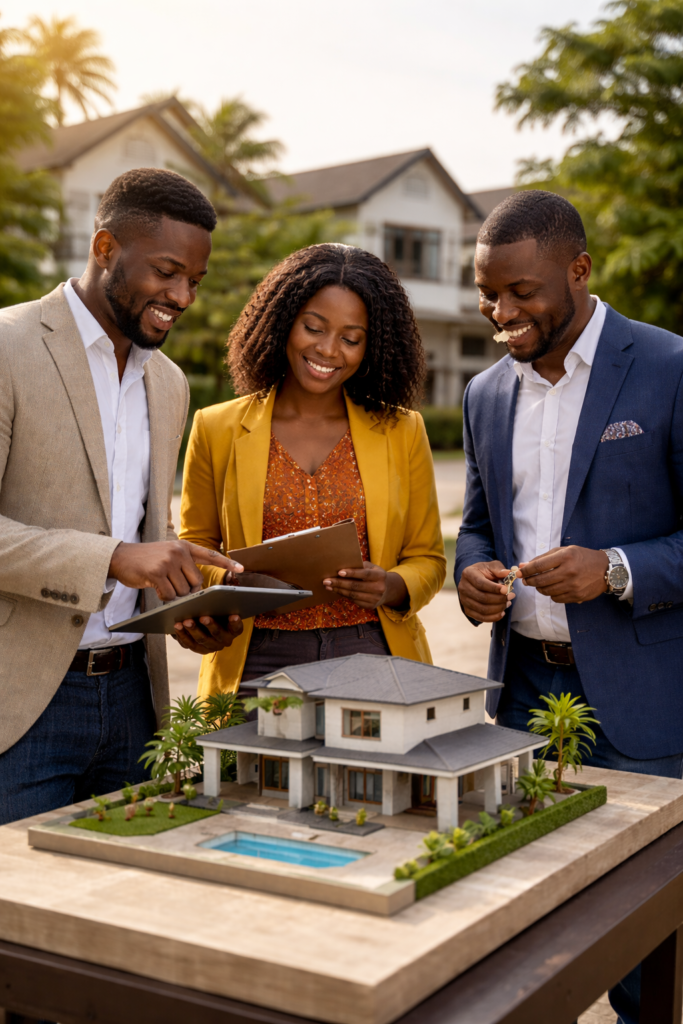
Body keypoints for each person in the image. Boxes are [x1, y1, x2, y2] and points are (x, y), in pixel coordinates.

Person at [455, 189, 683, 1024]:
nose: (500, 311)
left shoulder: (667, 366)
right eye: (488, 293)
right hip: (519, 697)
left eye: (521, 292)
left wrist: (615, 568)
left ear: (578, 271)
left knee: (641, 943)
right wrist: (471, 574)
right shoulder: (484, 394)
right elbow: (477, 526)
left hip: (642, 705)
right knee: (512, 925)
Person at [0, 168, 243, 825]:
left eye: (194, 279)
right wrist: (112, 558)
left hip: (137, 698)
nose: (182, 295)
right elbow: (119, 551)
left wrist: (190, 608)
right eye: (167, 272)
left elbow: (142, 537)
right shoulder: (7, 345)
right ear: (105, 249)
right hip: (21, 705)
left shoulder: (168, 382)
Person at [178, 243, 446, 699]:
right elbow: (194, 549)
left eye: (351, 337)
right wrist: (231, 581)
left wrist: (391, 585)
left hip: (373, 650)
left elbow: (429, 559)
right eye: (314, 328)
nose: (328, 350)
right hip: (255, 655)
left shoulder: (402, 429)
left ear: (371, 344)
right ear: (284, 323)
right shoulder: (217, 427)